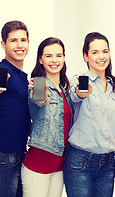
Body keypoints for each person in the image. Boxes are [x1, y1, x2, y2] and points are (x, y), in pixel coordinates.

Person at [63, 32, 115, 197]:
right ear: (86, 56)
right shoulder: (79, 80)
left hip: (108, 162)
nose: (101, 56)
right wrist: (82, 92)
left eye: (105, 51)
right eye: (95, 52)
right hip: (80, 160)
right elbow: (76, 94)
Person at [0, 20, 31, 197]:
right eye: (13, 40)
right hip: (2, 155)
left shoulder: (24, 77)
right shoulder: (1, 71)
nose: (19, 45)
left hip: (18, 153)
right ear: (3, 44)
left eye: (23, 40)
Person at [21, 37, 73, 197]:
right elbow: (39, 99)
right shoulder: (38, 84)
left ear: (64, 58)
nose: (54, 60)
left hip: (58, 167)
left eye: (58, 55)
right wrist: (40, 95)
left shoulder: (65, 90)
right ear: (40, 59)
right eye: (48, 56)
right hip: (37, 166)